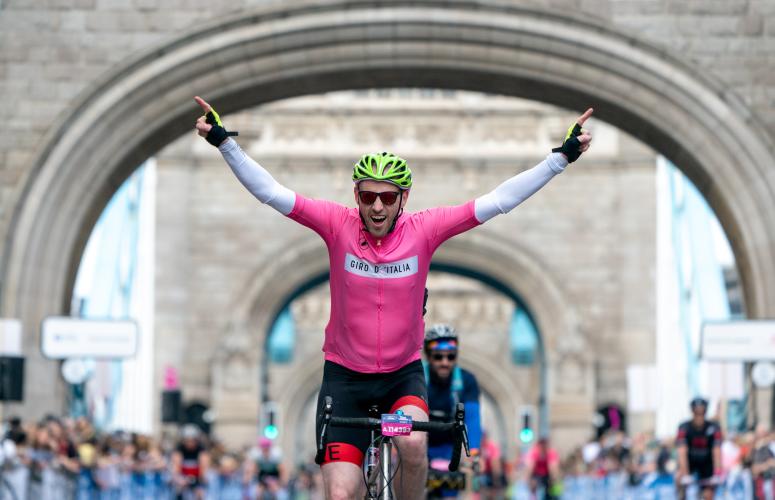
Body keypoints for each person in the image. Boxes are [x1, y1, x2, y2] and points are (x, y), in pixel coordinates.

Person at [193, 95, 593, 500]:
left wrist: (561, 158)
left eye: (388, 196)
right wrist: (226, 143)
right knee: (340, 495)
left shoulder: (425, 229)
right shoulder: (336, 225)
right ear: (356, 197)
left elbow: (499, 201)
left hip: (400, 379)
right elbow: (272, 193)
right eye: (368, 197)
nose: (378, 206)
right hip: (345, 381)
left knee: (413, 444)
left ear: (404, 198)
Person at [423, 324, 482, 498]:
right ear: (428, 356)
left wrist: (473, 453)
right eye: (438, 357)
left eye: (451, 356)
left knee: (461, 484)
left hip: (451, 447)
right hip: (423, 444)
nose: (445, 362)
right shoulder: (418, 377)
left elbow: (473, 418)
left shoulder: (466, 380)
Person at [675, 397, 722, 500]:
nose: (699, 416)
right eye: (697, 413)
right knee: (679, 478)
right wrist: (685, 474)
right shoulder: (684, 427)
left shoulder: (714, 427)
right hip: (690, 462)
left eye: (702, 412)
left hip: (707, 463)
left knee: (708, 494)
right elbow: (682, 451)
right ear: (692, 412)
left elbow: (717, 450)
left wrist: (718, 472)